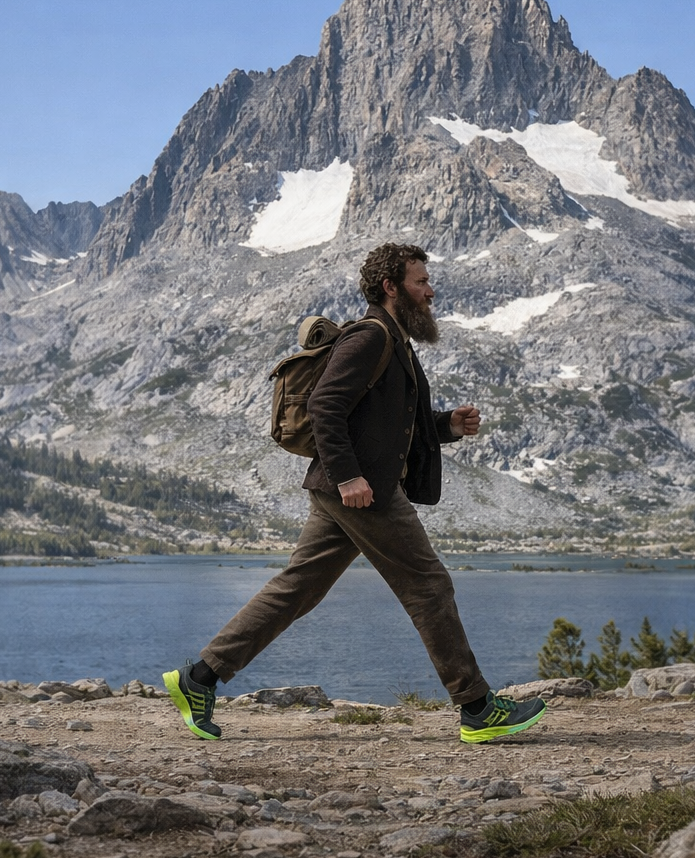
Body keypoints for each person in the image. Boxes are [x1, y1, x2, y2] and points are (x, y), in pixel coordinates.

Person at [162, 243, 547, 744]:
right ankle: (476, 708)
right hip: (360, 491)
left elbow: (384, 426)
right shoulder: (369, 338)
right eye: (421, 282)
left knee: (297, 589)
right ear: (391, 287)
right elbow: (325, 406)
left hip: (347, 490)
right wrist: (348, 477)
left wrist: (446, 425)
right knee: (429, 586)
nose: (430, 291)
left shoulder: (394, 339)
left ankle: (199, 679)